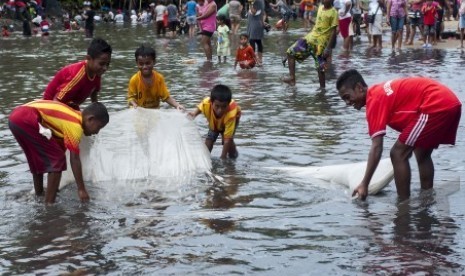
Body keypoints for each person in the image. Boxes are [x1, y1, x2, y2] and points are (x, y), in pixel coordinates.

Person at [336, 69, 461, 201]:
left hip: (435, 104)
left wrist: (364, 184)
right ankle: (427, 199)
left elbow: (377, 147)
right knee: (421, 152)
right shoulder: (378, 92)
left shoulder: (374, 100)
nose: (347, 103)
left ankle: (403, 205)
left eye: (347, 97)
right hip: (449, 101)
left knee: (397, 154)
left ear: (359, 88)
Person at [8, 100, 110, 204]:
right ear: (90, 119)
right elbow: (74, 159)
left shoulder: (71, 118)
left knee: (39, 160)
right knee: (58, 159)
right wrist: (81, 189)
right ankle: (49, 206)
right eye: (98, 127)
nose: (97, 132)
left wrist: (54, 184)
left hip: (15, 118)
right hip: (26, 118)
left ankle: (39, 195)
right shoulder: (75, 125)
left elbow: (59, 149)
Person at [43, 38, 112, 110]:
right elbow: (56, 102)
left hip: (70, 104)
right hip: (51, 105)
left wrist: (97, 113)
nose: (105, 68)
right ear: (89, 58)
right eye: (102, 64)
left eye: (108, 64)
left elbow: (94, 93)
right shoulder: (77, 76)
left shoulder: (96, 72)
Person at [282, 0, 338, 89]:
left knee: (320, 69)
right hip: (309, 39)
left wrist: (328, 48)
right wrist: (307, 34)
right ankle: (292, 78)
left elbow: (334, 32)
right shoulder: (320, 7)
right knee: (290, 52)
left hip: (321, 44)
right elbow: (317, 26)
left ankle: (322, 91)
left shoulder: (334, 12)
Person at [188, 84, 241, 159]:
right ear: (211, 102)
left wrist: (223, 157)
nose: (220, 110)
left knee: (227, 139)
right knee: (210, 139)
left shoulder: (231, 114)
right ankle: (205, 158)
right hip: (215, 122)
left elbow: (227, 139)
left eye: (224, 107)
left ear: (228, 105)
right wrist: (194, 114)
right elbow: (201, 107)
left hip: (232, 120)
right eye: (217, 106)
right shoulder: (206, 103)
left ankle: (234, 156)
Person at [128, 44, 185, 110]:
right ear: (137, 63)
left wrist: (177, 105)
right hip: (139, 111)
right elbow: (131, 98)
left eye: (148, 63)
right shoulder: (134, 80)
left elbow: (166, 97)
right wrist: (134, 104)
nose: (144, 67)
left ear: (154, 62)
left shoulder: (159, 78)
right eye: (141, 64)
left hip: (155, 110)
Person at [247, 0, 265, 65]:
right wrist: (263, 23)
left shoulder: (257, 1)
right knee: (258, 42)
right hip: (256, 24)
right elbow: (262, 13)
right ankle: (260, 60)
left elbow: (254, 12)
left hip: (255, 25)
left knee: (252, 41)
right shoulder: (261, 1)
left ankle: (254, 60)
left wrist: (250, 4)